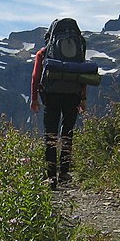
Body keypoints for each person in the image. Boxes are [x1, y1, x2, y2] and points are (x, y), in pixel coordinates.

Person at [30, 31, 87, 190]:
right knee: (67, 132)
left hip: (52, 97)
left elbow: (36, 76)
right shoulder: (77, 52)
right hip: (73, 96)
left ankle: (51, 177)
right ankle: (64, 172)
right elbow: (82, 75)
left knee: (51, 134)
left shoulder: (43, 53)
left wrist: (34, 99)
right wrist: (83, 98)